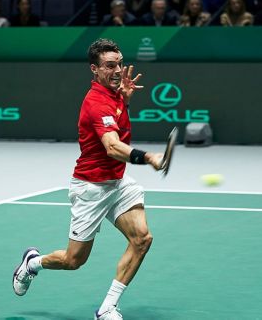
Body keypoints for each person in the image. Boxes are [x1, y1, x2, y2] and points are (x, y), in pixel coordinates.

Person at [12, 38, 164, 320]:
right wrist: (147, 157)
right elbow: (112, 147)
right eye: (109, 66)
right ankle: (33, 263)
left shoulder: (115, 93)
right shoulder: (96, 101)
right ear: (94, 69)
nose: (117, 70)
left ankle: (107, 307)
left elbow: (117, 124)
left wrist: (126, 100)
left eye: (119, 63)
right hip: (91, 188)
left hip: (117, 183)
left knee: (142, 239)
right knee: (74, 260)